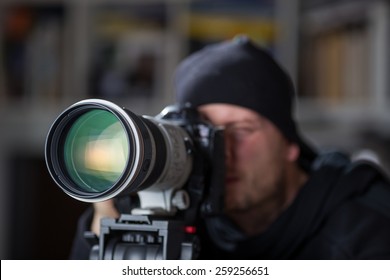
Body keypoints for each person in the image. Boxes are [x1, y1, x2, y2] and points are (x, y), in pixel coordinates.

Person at [70, 36, 390, 259]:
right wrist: (105, 226)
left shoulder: (362, 229)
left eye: (241, 131)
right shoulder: (166, 213)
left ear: (290, 144)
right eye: (205, 134)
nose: (222, 153)